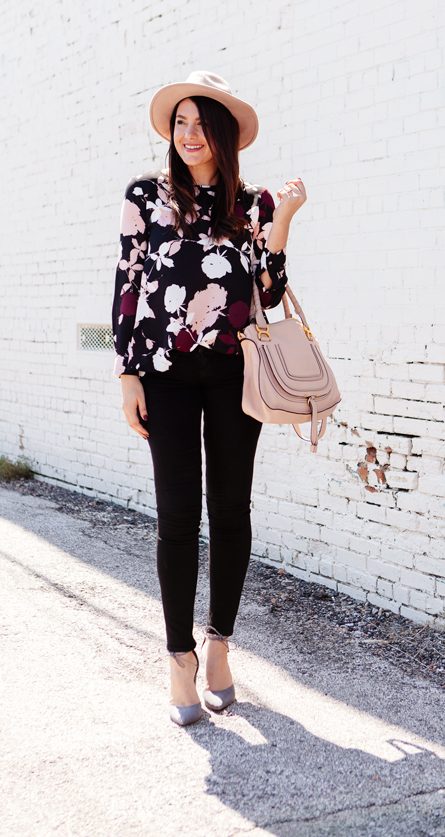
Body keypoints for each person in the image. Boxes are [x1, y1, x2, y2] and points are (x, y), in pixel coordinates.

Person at [112, 71, 307, 725]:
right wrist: (126, 373)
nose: (189, 135)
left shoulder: (248, 205)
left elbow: (270, 293)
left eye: (201, 124)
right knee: (175, 517)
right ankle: (178, 658)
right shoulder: (145, 197)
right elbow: (128, 288)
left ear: (223, 135)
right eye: (180, 124)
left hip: (232, 373)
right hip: (164, 375)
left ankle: (220, 644)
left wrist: (281, 222)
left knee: (229, 509)